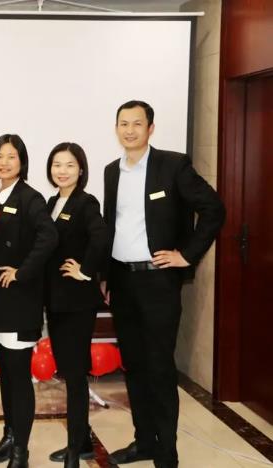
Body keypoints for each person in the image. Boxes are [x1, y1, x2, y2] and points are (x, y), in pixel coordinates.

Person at [102, 101, 225, 468]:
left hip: (158, 283)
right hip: (122, 282)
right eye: (123, 124)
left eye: (137, 124)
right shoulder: (112, 171)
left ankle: (166, 453)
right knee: (134, 366)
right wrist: (106, 276)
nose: (129, 130)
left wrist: (187, 255)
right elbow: (113, 226)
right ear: (116, 128)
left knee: (159, 368)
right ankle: (144, 441)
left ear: (150, 128)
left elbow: (214, 208)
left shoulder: (172, 166)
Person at [0, 134, 58, 468]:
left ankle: (21, 451)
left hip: (18, 300)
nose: (4, 162)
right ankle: (9, 438)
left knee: (19, 376)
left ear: (22, 162)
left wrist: (22, 272)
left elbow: (49, 237)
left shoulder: (30, 198)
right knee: (5, 375)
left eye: (11, 156)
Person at [43, 142, 108, 468]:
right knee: (69, 371)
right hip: (56, 301)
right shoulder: (52, 202)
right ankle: (81, 442)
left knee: (75, 373)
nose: (62, 171)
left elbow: (101, 237)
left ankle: (74, 450)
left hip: (77, 302)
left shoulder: (86, 202)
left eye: (69, 165)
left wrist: (86, 270)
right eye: (57, 164)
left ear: (81, 169)